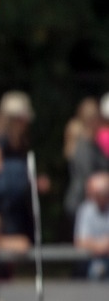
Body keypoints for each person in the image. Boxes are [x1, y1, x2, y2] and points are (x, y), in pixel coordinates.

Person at [0, 91, 49, 244]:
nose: (25, 123)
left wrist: (34, 182)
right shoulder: (0, 140)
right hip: (2, 206)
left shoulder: (21, 143)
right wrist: (15, 172)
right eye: (22, 119)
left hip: (18, 207)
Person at [63, 94, 109, 234]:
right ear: (92, 120)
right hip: (83, 202)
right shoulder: (83, 147)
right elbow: (89, 178)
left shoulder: (93, 144)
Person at [73, 171, 109, 280]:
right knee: (96, 270)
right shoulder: (85, 210)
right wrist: (101, 246)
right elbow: (80, 241)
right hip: (91, 263)